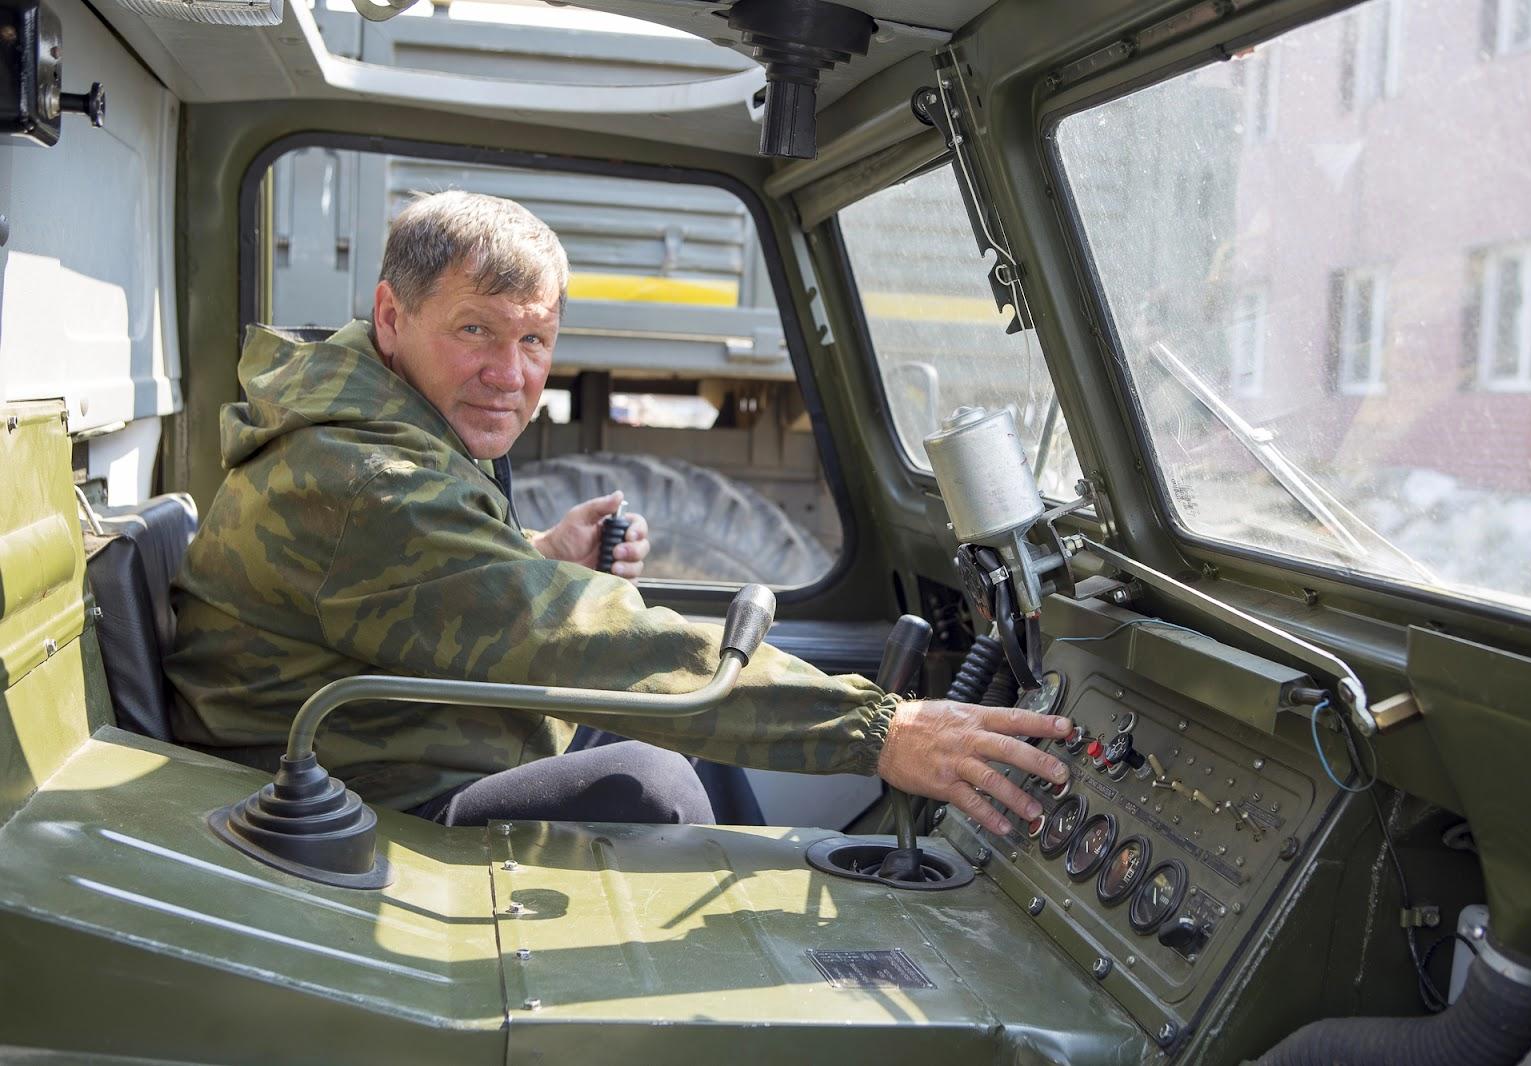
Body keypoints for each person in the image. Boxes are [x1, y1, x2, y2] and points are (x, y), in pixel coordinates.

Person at [165, 190, 1069, 834]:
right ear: (391, 317)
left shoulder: (372, 431)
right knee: (651, 779)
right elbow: (577, 634)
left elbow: (407, 580)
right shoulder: (372, 477)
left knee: (672, 720)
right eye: (476, 329)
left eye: (535, 341)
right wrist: (882, 729)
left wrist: (535, 551)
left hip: (388, 741)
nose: (510, 374)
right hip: (325, 803)